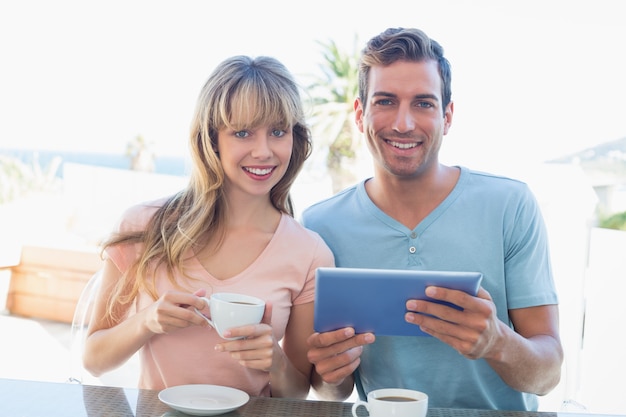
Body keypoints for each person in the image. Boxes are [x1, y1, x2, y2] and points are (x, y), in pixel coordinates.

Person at [302, 27, 563, 411]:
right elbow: (330, 392)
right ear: (360, 115)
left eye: (423, 103)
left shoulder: (510, 205)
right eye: (386, 101)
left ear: (448, 115)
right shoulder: (320, 225)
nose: (403, 123)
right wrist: (330, 372)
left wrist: (497, 342)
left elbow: (548, 375)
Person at [83, 55, 334, 399]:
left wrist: (274, 362)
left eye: (278, 132)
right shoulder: (143, 226)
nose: (263, 151)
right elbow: (94, 359)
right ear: (212, 139)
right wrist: (147, 321)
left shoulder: (310, 252)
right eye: (243, 133)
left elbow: (296, 394)